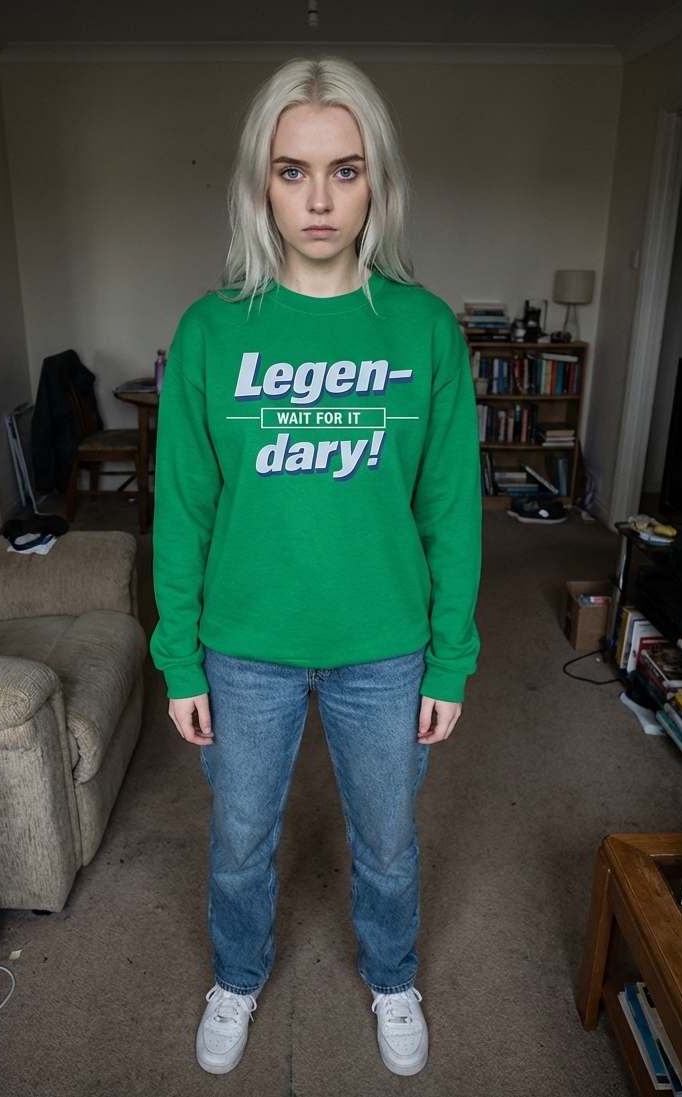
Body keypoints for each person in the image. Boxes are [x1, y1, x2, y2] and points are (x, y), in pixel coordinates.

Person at [151, 55, 481, 1077]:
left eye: (346, 169)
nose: (321, 199)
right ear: (262, 182)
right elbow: (182, 509)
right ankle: (237, 974)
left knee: (387, 841)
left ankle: (392, 974)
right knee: (240, 840)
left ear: (378, 179)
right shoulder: (210, 332)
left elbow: (451, 509)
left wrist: (451, 659)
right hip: (243, 644)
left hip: (384, 645)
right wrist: (178, 658)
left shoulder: (424, 329)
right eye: (293, 171)